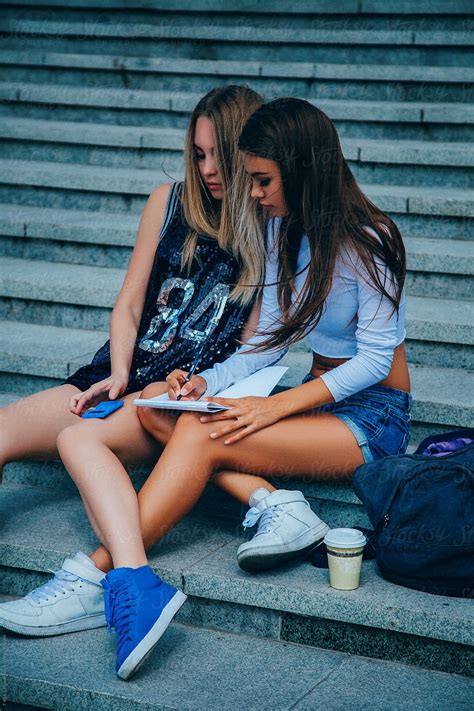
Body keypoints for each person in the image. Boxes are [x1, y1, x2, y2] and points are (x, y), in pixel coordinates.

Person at [0, 85, 265, 680]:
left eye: (218, 154)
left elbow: (254, 347)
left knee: (78, 441)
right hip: (122, 373)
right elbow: (128, 306)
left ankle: (130, 584)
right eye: (197, 155)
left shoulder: (271, 225)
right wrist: (119, 372)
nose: (207, 170)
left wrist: (180, 387)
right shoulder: (168, 203)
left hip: (179, 396)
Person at [134, 96, 412, 575]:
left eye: (263, 181)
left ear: (304, 172)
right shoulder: (280, 229)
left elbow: (375, 363)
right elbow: (267, 340)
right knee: (162, 401)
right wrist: (209, 382)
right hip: (317, 401)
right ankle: (282, 508)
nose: (255, 194)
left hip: (374, 414)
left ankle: (110, 568)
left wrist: (276, 405)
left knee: (203, 438)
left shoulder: (372, 239)